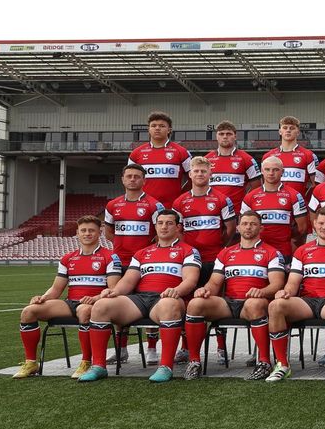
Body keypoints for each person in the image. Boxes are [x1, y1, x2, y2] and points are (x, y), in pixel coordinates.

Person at [78, 210, 201, 383]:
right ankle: (99, 366)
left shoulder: (188, 251)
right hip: (141, 299)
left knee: (169, 305)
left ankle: (165, 366)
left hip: (166, 298)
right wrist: (114, 291)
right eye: (160, 223)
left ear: (178, 227)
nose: (164, 226)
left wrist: (177, 290)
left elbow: (191, 279)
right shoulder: (142, 253)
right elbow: (128, 280)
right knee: (101, 306)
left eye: (169, 223)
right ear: (155, 226)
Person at [12, 216, 122, 380]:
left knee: (85, 311)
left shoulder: (110, 256)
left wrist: (96, 298)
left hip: (95, 304)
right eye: (83, 230)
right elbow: (56, 289)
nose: (87, 234)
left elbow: (113, 289)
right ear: (77, 233)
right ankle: (31, 363)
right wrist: (43, 297)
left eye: (91, 230)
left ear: (99, 233)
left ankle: (86, 362)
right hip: (71, 303)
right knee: (29, 312)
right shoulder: (67, 258)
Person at [182, 210, 286, 380]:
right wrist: (205, 290)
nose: (248, 227)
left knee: (254, 303)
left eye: (253, 224)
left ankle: (264, 362)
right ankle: (194, 361)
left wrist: (262, 292)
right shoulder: (226, 253)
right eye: (245, 223)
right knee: (195, 304)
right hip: (229, 303)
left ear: (261, 228)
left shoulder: (271, 253)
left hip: (253, 303)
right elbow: (215, 283)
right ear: (238, 227)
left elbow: (277, 284)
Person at [264, 206, 325, 384]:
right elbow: (293, 282)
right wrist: (286, 291)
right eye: (322, 223)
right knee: (275, 305)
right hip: (307, 302)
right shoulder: (302, 251)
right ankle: (282, 365)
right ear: (314, 224)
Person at [173, 156, 239, 365]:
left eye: (204, 171)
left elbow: (229, 229)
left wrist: (218, 247)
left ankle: (220, 347)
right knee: (187, 303)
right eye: (196, 171)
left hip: (215, 259)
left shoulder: (222, 199)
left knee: (216, 302)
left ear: (211, 174)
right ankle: (186, 348)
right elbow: (178, 231)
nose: (200, 174)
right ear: (190, 174)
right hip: (191, 261)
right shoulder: (179, 202)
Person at [102, 164, 165, 361]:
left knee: (149, 301)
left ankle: (152, 348)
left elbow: (160, 233)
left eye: (137, 176)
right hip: (120, 263)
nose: (132, 179)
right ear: (123, 179)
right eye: (129, 176)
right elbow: (109, 232)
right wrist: (123, 247)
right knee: (119, 302)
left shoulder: (154, 205)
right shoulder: (112, 205)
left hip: (145, 264)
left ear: (144, 180)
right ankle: (121, 350)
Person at [241, 155, 310, 256]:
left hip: (284, 252)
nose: (271, 173)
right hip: (256, 253)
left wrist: (290, 243)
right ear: (262, 171)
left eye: (275, 170)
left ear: (282, 172)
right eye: (267, 169)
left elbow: (302, 228)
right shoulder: (250, 197)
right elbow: (243, 226)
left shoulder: (294, 195)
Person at [128, 111, 192, 208]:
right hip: (143, 206)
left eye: (162, 126)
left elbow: (193, 179)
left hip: (172, 207)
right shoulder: (136, 153)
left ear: (169, 130)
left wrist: (181, 195)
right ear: (148, 129)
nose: (157, 128)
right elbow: (129, 180)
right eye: (153, 126)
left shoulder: (182, 152)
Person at [205, 120, 260, 208]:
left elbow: (257, 186)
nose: (225, 137)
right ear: (217, 136)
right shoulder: (207, 159)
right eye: (221, 134)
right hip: (212, 210)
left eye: (229, 134)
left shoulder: (247, 159)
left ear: (235, 136)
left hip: (237, 210)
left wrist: (245, 202)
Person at [263, 116, 318, 197]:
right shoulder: (268, 157)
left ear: (298, 132)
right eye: (285, 128)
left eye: (292, 128)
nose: (288, 130)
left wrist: (305, 198)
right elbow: (263, 184)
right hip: (273, 202)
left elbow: (316, 184)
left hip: (298, 205)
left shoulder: (308, 155)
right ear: (280, 131)